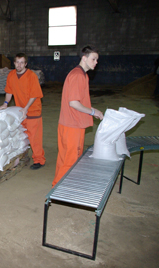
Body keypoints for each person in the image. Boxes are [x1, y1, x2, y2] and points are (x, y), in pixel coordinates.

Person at [52, 45, 104, 187]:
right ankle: (61, 190)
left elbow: (81, 102)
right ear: (84, 58)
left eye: (97, 60)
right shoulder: (78, 75)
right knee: (70, 161)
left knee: (64, 159)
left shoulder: (81, 75)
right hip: (72, 126)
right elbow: (74, 103)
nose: (96, 62)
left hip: (69, 124)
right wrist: (92, 112)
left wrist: (96, 111)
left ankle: (58, 186)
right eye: (93, 59)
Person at [0, 53, 45, 170]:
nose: (19, 65)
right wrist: (5, 103)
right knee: (21, 136)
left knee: (34, 138)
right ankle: (21, 156)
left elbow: (34, 95)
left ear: (26, 64)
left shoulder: (31, 76)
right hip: (20, 111)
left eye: (22, 62)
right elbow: (9, 91)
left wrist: (26, 108)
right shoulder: (11, 75)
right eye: (17, 62)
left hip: (33, 111)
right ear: (14, 63)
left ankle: (39, 160)